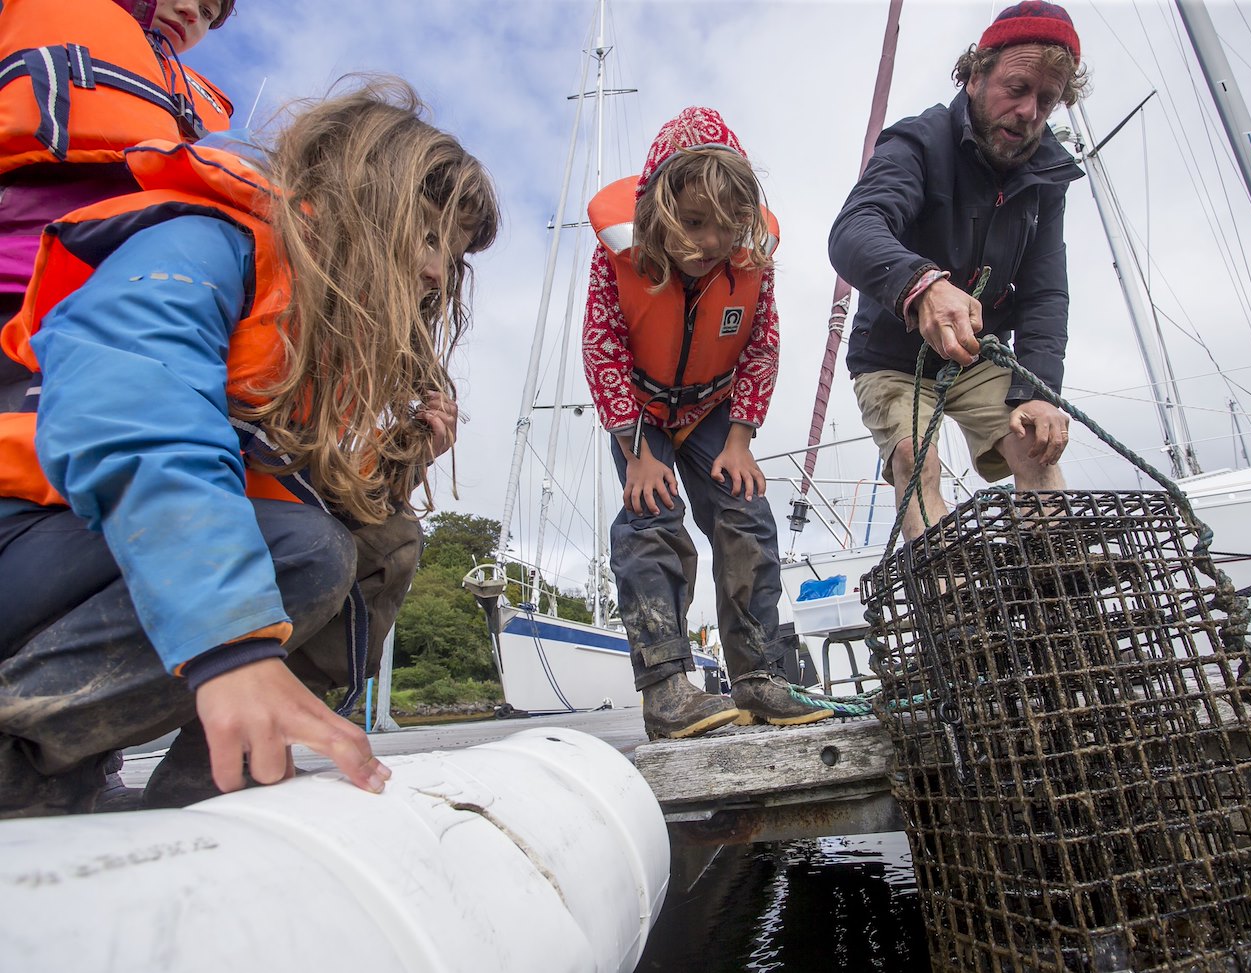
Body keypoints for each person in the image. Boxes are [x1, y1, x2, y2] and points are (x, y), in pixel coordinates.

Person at [0, 77, 499, 816]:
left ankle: (210, 784)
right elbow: (136, 404)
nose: (433, 271)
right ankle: (28, 756)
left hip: (92, 564)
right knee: (306, 551)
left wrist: (403, 456)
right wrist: (232, 644)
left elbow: (293, 497)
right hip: (26, 538)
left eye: (448, 257)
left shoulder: (316, 345)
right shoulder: (211, 240)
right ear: (358, 192)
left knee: (376, 544)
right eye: (427, 236)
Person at [583, 106, 834, 740]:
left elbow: (761, 347)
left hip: (715, 406)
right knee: (652, 519)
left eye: (725, 228)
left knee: (745, 513)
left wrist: (742, 439)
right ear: (659, 213)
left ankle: (760, 677)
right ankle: (666, 686)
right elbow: (603, 347)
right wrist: (637, 450)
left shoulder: (753, 263)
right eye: (692, 224)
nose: (708, 244)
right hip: (641, 414)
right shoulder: (617, 259)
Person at [829, 0, 1089, 541]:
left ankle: (1057, 591)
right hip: (892, 355)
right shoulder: (917, 143)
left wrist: (1041, 390)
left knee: (1034, 442)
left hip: (978, 350)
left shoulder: (1047, 177)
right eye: (1017, 88)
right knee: (913, 460)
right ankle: (950, 608)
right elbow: (855, 229)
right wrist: (922, 285)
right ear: (975, 75)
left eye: (1047, 100)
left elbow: (1046, 293)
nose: (1029, 111)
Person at [0, 0, 236, 322]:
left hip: (123, 307)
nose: (190, 12)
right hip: (16, 272)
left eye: (207, 13)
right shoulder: (38, 11)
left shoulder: (199, 102)